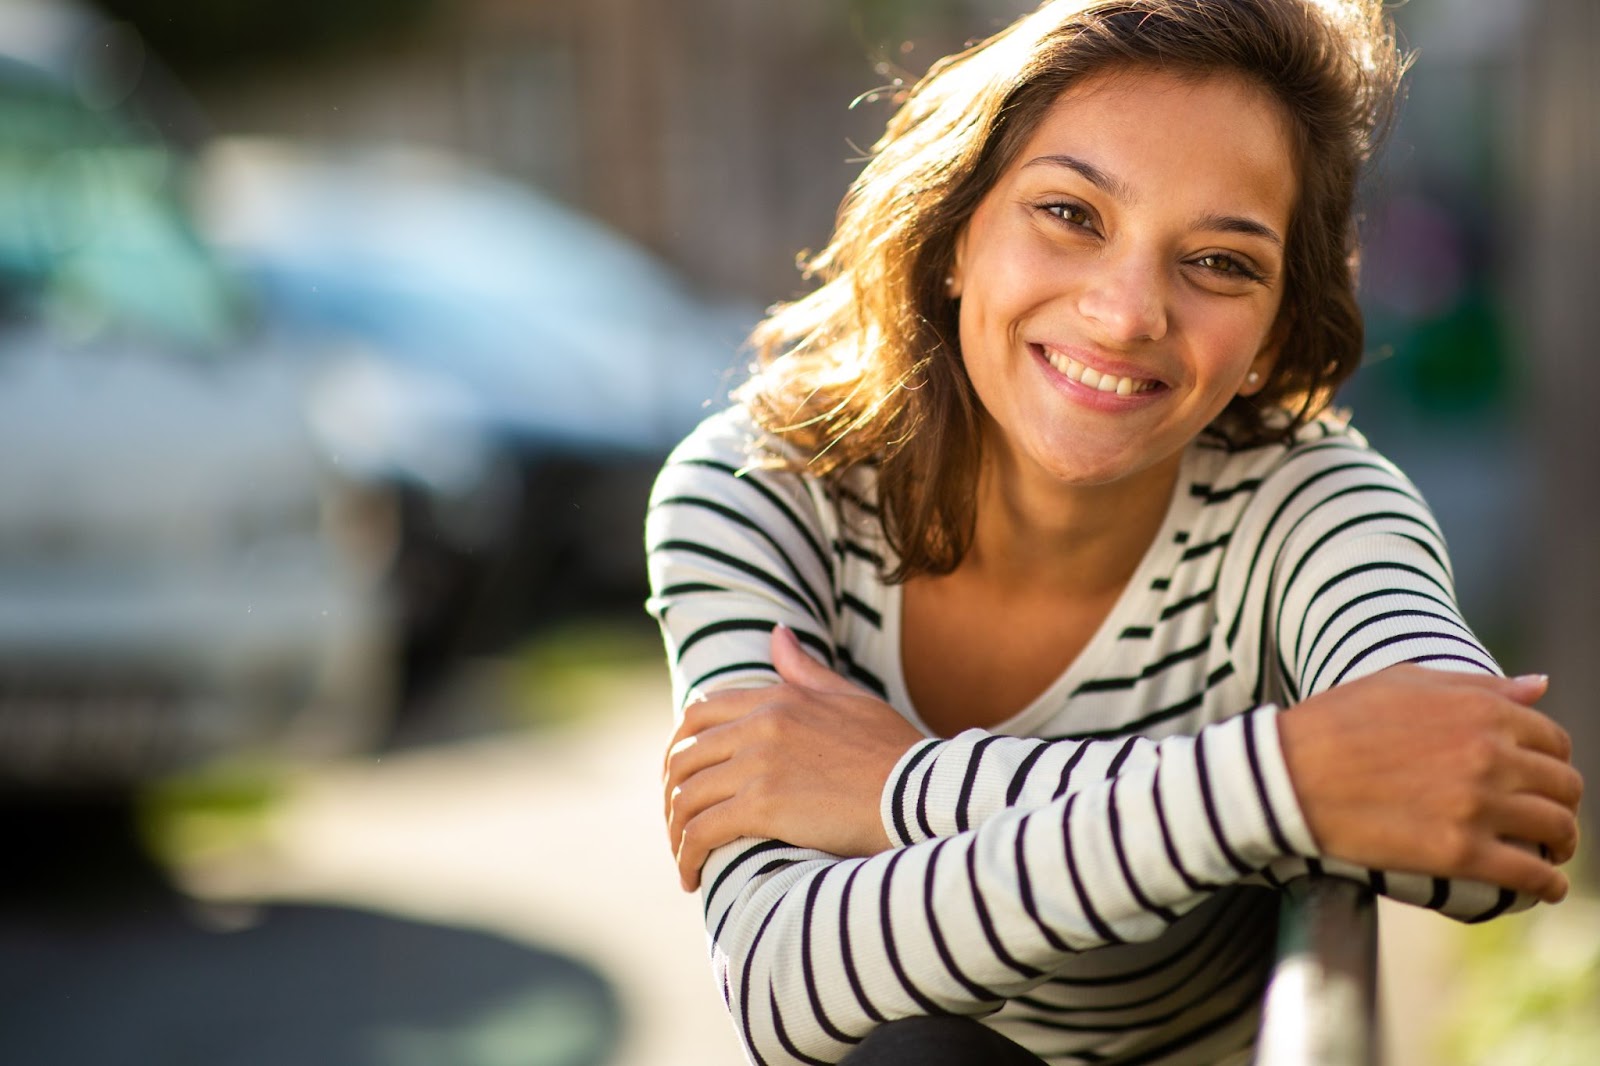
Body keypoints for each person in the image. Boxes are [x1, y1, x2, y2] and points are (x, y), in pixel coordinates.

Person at [645, 1, 1584, 1063]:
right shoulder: (762, 489)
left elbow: (1500, 830)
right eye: (1070, 213)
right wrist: (1292, 782)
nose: (1128, 311)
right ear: (954, 233)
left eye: (1221, 263)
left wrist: (902, 785)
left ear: (1276, 335)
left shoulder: (1307, 506)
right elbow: (785, 980)